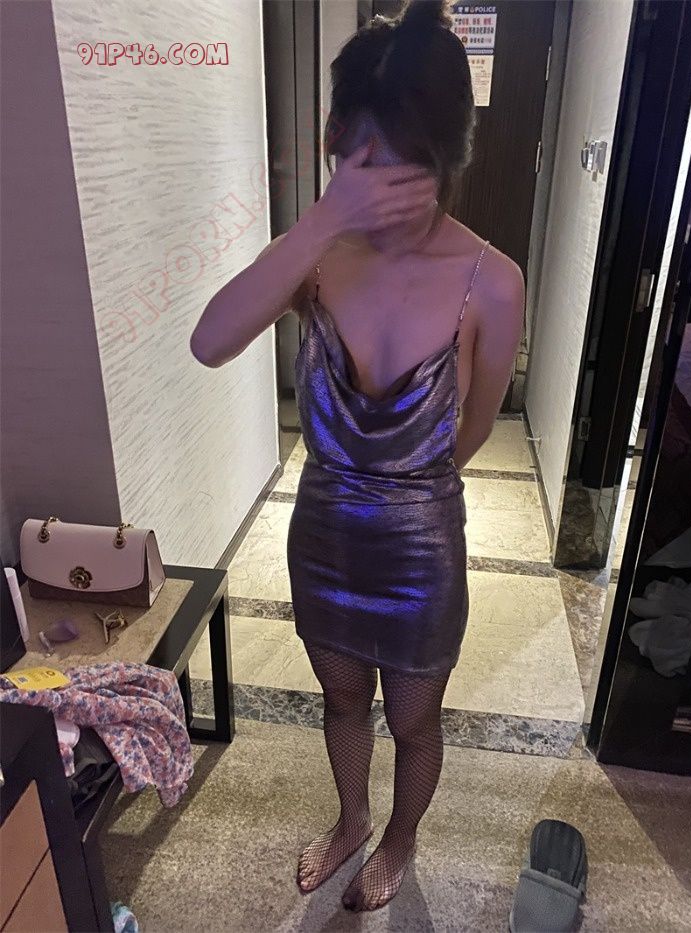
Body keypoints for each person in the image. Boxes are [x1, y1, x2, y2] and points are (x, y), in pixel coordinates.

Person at [190, 0, 524, 913]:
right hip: (326, 534)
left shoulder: (492, 280)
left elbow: (474, 426)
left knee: (413, 718)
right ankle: (351, 818)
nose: (379, 193)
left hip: (421, 549)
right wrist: (318, 220)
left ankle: (400, 837)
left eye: (402, 168)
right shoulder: (316, 257)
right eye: (360, 165)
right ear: (337, 144)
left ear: (445, 160)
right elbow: (210, 341)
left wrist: (407, 492)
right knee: (340, 699)